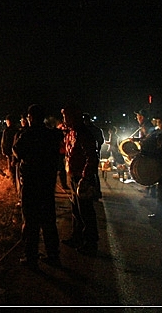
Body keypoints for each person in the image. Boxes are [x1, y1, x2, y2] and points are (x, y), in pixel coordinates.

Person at [12, 104, 63, 268]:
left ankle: (31, 256)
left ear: (31, 117)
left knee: (31, 221)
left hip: (32, 184)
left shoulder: (27, 135)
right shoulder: (51, 135)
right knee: (49, 220)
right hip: (47, 184)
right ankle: (53, 255)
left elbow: (17, 151)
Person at [61, 104, 99, 257]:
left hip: (81, 178)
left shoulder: (84, 134)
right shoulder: (71, 133)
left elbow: (92, 158)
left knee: (86, 211)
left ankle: (91, 242)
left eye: (66, 117)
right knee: (76, 210)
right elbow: (66, 151)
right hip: (73, 176)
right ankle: (76, 237)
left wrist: (85, 177)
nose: (64, 119)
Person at [83, 113, 105, 199]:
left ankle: (91, 193)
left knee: (89, 174)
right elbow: (101, 141)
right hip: (95, 154)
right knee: (94, 174)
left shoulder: (85, 130)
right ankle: (96, 192)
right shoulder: (97, 130)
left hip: (88, 155)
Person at [0, 114, 20, 189]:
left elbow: (3, 142)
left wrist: (4, 151)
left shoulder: (7, 131)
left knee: (12, 170)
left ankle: (15, 186)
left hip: (10, 153)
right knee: (17, 170)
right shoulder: (17, 130)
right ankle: (17, 185)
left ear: (8, 121)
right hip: (17, 153)